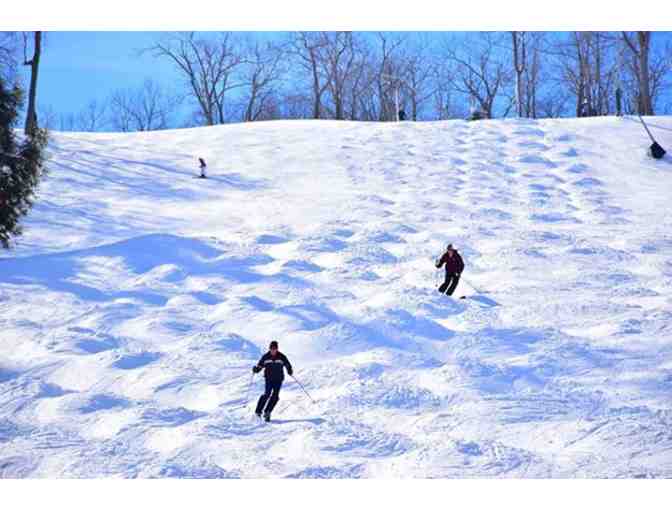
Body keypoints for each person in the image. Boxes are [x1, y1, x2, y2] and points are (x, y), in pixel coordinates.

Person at [252, 341, 293, 421]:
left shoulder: (281, 356)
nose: (273, 350)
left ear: (277, 349)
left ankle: (267, 412)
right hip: (269, 379)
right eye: (271, 348)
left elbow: (287, 364)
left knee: (275, 396)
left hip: (278, 379)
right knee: (267, 394)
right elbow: (260, 366)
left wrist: (289, 370)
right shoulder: (266, 357)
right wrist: (256, 369)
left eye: (274, 349)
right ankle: (258, 411)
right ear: (269, 349)